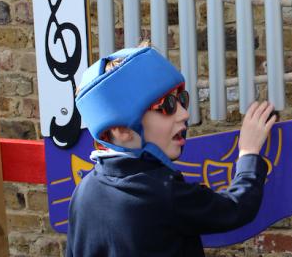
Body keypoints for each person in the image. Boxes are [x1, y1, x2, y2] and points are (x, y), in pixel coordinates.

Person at [65, 44, 278, 257]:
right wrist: (249, 153)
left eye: (181, 99)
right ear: (121, 130)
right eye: (166, 105)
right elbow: (235, 208)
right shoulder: (162, 192)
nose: (184, 113)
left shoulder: (83, 191)